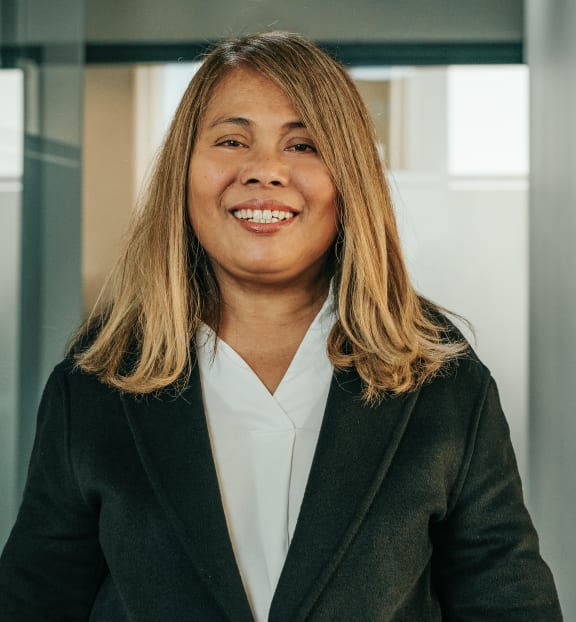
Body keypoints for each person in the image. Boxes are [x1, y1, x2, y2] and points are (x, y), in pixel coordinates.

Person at [0, 31, 562, 622]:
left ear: (350, 180)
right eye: (231, 139)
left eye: (303, 145)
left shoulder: (443, 380)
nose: (264, 170)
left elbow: (508, 600)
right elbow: (35, 599)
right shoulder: (97, 381)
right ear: (183, 173)